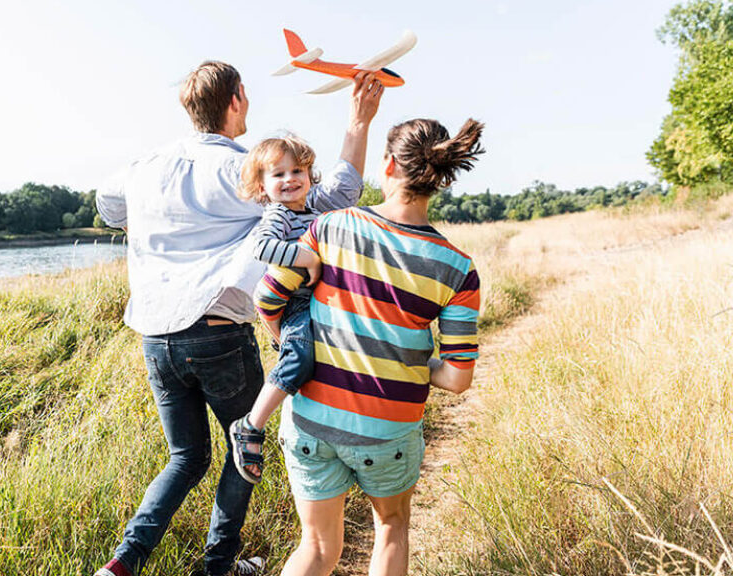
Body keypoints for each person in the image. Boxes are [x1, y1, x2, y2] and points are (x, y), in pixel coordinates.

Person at [93, 61, 384, 576]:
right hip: (216, 332)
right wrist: (357, 124)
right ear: (237, 99)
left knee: (186, 457)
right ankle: (219, 567)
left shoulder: (143, 167)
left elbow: (108, 204)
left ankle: (123, 560)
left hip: (155, 339)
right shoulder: (245, 168)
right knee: (241, 445)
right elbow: (334, 196)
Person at [259, 118, 484, 576]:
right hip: (388, 432)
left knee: (317, 548)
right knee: (391, 528)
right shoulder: (459, 268)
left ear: (387, 165)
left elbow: (268, 298)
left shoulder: (330, 227)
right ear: (439, 178)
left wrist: (290, 344)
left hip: (311, 422)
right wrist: (408, 360)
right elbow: (458, 379)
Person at [226, 134, 328, 485]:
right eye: (278, 174)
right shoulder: (278, 215)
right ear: (262, 186)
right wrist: (306, 257)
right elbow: (262, 247)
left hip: (317, 300)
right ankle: (251, 425)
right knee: (299, 359)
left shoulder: (314, 213)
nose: (289, 180)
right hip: (295, 303)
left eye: (297, 170)